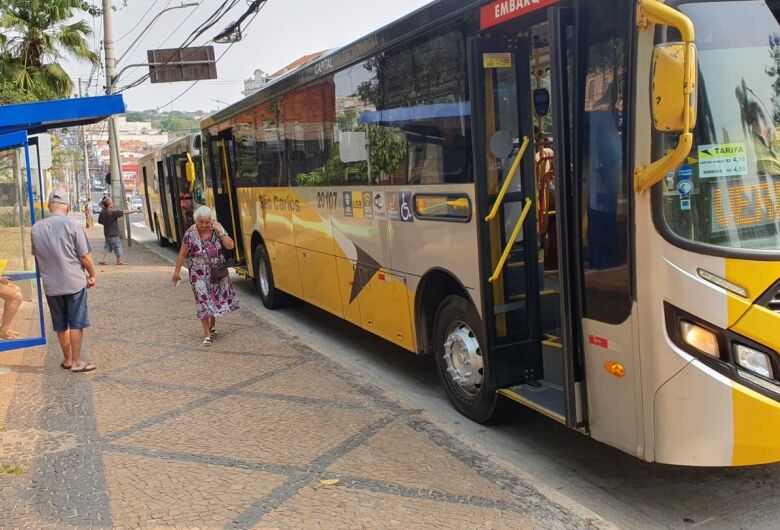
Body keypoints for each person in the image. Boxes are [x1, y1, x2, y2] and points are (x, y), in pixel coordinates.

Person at [30, 188, 97, 373]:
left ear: (49, 206)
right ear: (67, 207)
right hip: (74, 283)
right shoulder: (72, 225)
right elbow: (84, 256)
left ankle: (67, 359)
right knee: (76, 323)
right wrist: (92, 274)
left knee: (60, 325)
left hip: (51, 286)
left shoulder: (36, 228)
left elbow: (37, 255)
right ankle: (77, 362)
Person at [171, 206, 239, 346]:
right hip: (198, 273)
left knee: (213, 299)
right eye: (201, 222)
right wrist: (176, 272)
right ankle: (207, 334)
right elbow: (182, 254)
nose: (204, 225)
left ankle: (212, 325)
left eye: (206, 222)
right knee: (203, 301)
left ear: (210, 221)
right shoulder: (190, 234)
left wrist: (221, 230)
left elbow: (230, 246)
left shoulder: (216, 230)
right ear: (196, 221)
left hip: (216, 271)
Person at [97, 197, 136, 265]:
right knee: (118, 246)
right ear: (109, 204)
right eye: (111, 202)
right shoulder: (113, 212)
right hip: (113, 233)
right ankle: (119, 261)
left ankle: (101, 259)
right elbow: (124, 212)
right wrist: (134, 211)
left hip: (107, 233)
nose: (113, 203)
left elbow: (100, 221)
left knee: (107, 247)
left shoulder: (103, 212)